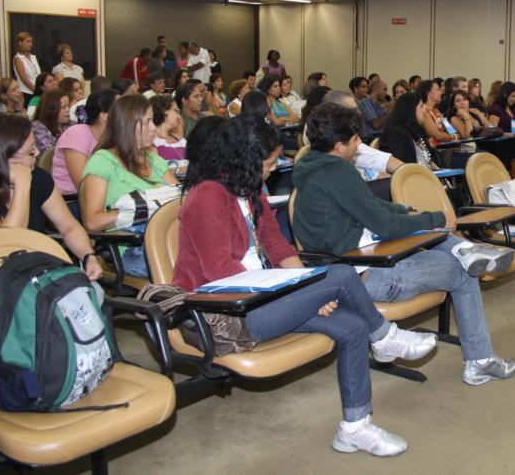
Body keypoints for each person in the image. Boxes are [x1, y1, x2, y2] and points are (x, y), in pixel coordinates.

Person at [176, 115, 433, 457]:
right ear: (245, 159)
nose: (273, 169)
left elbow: (278, 245)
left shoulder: (248, 190)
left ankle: (354, 428)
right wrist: (305, 292)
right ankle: (385, 336)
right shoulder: (207, 196)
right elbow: (220, 271)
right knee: (340, 275)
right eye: (269, 163)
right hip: (223, 313)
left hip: (261, 297)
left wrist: (306, 287)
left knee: (353, 327)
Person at [293, 103, 515, 387]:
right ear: (339, 146)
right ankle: (480, 361)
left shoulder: (314, 169)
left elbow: (372, 207)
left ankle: (466, 250)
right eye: (355, 141)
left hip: (354, 261)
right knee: (464, 272)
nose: (359, 145)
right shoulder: (338, 173)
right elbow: (383, 224)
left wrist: (407, 211)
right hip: (367, 274)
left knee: (419, 228)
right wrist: (435, 217)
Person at [0, 113, 101, 280]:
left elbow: (68, 226)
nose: (38, 153)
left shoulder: (38, 178)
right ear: (3, 159)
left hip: (34, 274)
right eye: (30, 151)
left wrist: (88, 256)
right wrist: (22, 185)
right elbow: (5, 247)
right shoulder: (26, 181)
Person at [81, 95, 178, 278]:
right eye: (148, 121)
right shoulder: (103, 161)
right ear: (129, 125)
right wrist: (141, 208)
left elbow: (180, 200)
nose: (153, 128)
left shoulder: (154, 160)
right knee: (193, 265)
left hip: (166, 240)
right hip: (132, 248)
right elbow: (93, 222)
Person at [52, 88, 118, 195]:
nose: (125, 113)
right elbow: (83, 184)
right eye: (120, 109)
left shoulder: (113, 137)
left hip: (103, 196)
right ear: (104, 116)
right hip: (72, 200)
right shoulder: (77, 134)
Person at [379, 92, 437, 169]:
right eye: (421, 106)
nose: (425, 110)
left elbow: (429, 159)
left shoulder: (417, 130)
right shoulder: (394, 134)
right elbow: (399, 167)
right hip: (411, 178)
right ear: (411, 110)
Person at [30, 90, 71, 154]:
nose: (68, 110)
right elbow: (50, 152)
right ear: (51, 109)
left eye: (68, 106)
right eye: (63, 107)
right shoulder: (37, 127)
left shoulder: (70, 124)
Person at [417, 80, 455, 146]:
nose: (440, 92)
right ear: (428, 93)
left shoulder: (436, 111)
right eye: (437, 90)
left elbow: (450, 128)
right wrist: (454, 136)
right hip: (433, 151)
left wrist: (454, 134)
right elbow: (438, 136)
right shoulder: (423, 111)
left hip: (444, 147)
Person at [150, 95, 187, 161]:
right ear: (165, 111)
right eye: (176, 111)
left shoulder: (181, 139)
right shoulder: (151, 142)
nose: (179, 116)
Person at [12, 31, 41, 100]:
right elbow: (24, 79)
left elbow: (38, 74)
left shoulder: (33, 57)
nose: (31, 44)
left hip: (37, 91)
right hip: (27, 93)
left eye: (31, 42)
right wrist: (36, 92)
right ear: (20, 43)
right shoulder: (18, 58)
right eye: (28, 41)